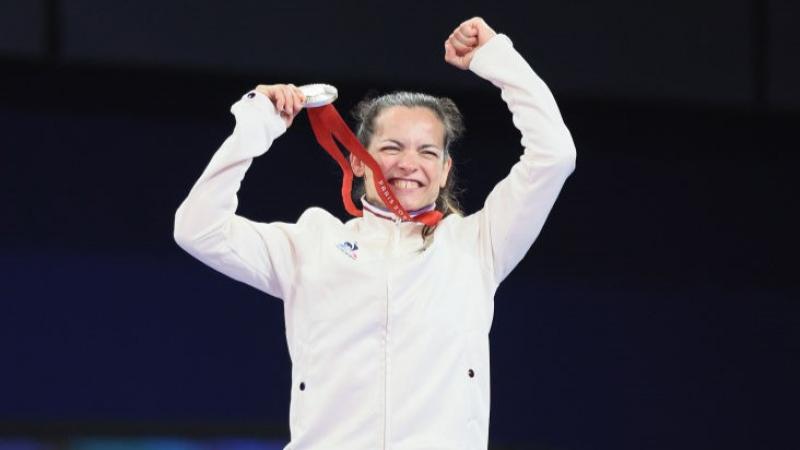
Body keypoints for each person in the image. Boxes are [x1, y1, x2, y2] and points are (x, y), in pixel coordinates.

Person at [174, 17, 576, 450]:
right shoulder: (312, 244)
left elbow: (554, 154)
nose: (408, 163)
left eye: (427, 152)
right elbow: (198, 229)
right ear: (359, 161)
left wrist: (497, 59)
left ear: (444, 172)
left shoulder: (478, 244)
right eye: (391, 147)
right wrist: (255, 127)